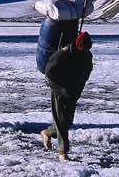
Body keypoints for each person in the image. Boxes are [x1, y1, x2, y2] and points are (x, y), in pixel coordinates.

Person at [40, 31, 93, 161]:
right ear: (78, 44)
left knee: (67, 121)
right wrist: (59, 88)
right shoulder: (62, 54)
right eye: (83, 47)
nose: (85, 50)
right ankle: (63, 152)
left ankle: (47, 132)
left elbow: (86, 72)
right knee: (61, 121)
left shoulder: (86, 55)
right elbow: (49, 72)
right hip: (59, 90)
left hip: (73, 92)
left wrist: (77, 88)